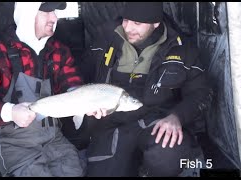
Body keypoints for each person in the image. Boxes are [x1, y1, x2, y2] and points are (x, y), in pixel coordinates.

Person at [0, 2, 101, 177]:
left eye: (54, 12)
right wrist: (10, 111)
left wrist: (89, 102)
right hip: (14, 144)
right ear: (27, 14)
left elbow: (72, 86)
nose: (54, 18)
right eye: (46, 12)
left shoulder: (58, 51)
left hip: (54, 141)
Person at [81, 2, 213, 177]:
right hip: (111, 127)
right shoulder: (105, 40)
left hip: (157, 122)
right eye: (126, 20)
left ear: (156, 23)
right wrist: (87, 104)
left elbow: (201, 92)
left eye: (137, 23)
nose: (128, 28)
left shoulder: (182, 48)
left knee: (167, 156)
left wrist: (177, 117)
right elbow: (78, 77)